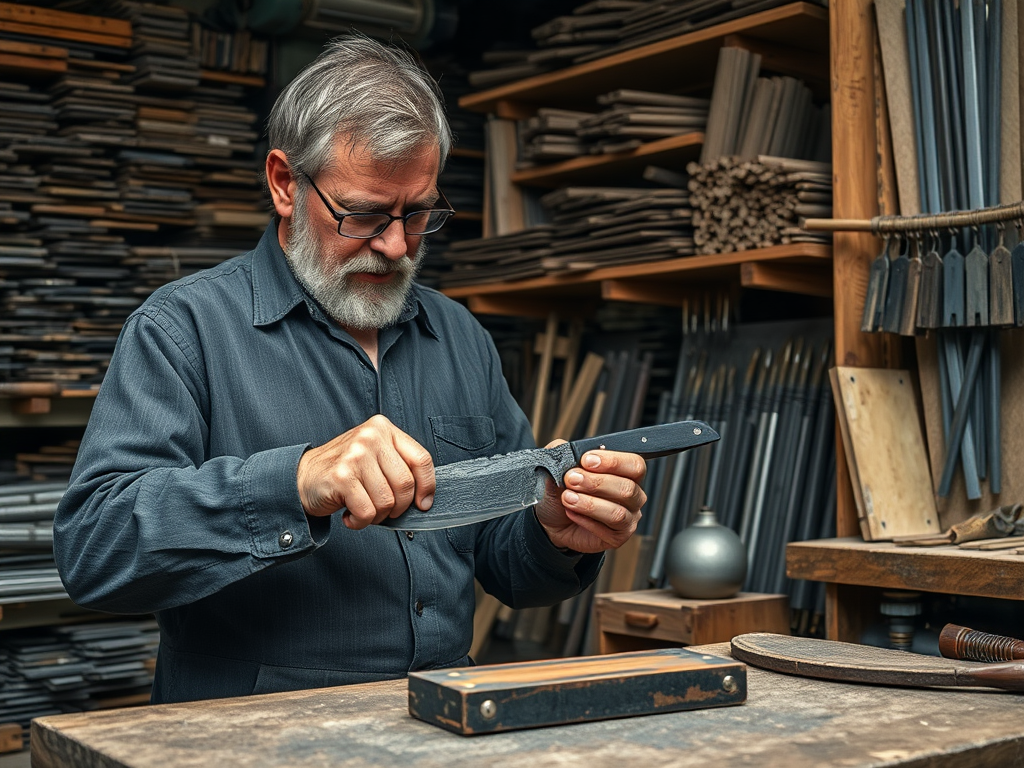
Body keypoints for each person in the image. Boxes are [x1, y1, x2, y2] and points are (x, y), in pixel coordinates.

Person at [53, 33, 647, 704]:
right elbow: (95, 550)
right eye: (365, 214)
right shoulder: (182, 331)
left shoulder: (458, 337)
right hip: (255, 738)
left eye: (418, 213)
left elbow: (504, 566)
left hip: (446, 717)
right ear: (284, 183)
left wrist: (555, 536)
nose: (396, 245)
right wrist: (295, 482)